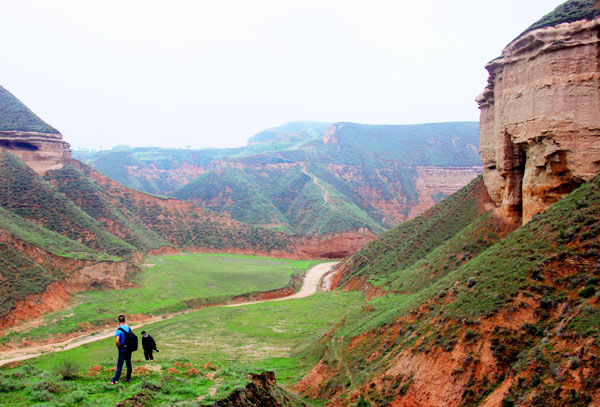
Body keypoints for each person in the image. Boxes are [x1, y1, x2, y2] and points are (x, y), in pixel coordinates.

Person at [110, 314, 133, 385]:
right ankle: (128, 378)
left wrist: (119, 348)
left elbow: (117, 341)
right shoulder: (129, 328)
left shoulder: (118, 330)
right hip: (129, 349)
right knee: (128, 363)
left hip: (122, 350)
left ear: (118, 321)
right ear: (125, 320)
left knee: (120, 365)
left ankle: (115, 380)